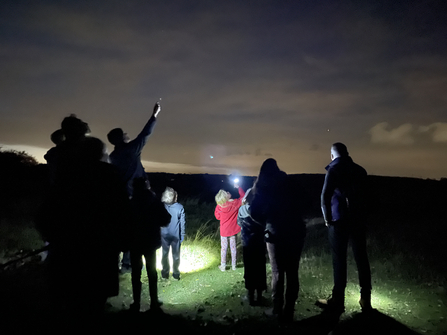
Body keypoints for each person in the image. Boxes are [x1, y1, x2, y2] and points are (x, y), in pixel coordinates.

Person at [36, 115, 131, 324]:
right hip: (99, 246)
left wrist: (52, 234)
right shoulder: (108, 175)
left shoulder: (67, 172)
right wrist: (122, 238)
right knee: (93, 300)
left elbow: (48, 208)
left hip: (68, 244)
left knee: (70, 296)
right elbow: (122, 209)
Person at [317, 142, 372, 314]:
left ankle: (338, 300)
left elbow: (325, 195)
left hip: (338, 220)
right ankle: (366, 298)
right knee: (361, 257)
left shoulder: (334, 170)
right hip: (357, 219)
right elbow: (368, 195)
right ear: (347, 153)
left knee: (339, 259)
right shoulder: (360, 170)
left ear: (332, 155)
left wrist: (327, 219)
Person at [107, 101, 162, 272]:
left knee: (122, 229)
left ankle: (119, 264)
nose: (127, 135)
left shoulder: (113, 155)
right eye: (125, 135)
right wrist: (154, 115)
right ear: (122, 139)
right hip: (137, 195)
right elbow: (145, 134)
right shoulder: (131, 150)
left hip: (122, 195)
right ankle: (129, 264)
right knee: (136, 229)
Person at [250, 158, 306, 323]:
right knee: (292, 272)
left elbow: (254, 212)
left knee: (277, 272)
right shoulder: (290, 182)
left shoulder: (263, 187)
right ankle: (289, 311)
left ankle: (277, 309)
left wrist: (266, 222)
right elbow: (306, 201)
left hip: (276, 233)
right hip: (295, 230)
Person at [129, 178, 171, 312]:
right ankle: (154, 302)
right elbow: (166, 219)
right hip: (150, 241)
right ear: (147, 186)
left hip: (135, 241)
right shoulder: (154, 201)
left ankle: (136, 303)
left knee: (135, 273)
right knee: (151, 272)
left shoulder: (131, 202)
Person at [237, 187, 267, 306]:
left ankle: (250, 297)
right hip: (259, 243)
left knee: (249, 269)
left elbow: (239, 223)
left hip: (247, 244)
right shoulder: (261, 211)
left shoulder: (242, 210)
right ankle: (259, 296)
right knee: (260, 268)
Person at [214, 180, 245, 271]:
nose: (228, 192)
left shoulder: (219, 207)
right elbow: (243, 197)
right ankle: (234, 265)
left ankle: (223, 266)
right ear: (225, 197)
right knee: (233, 247)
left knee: (224, 248)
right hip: (233, 230)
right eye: (227, 193)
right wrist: (239, 187)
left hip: (224, 231)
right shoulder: (235, 203)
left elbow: (217, 217)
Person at [160, 187, 186, 280]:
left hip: (164, 235)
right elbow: (182, 223)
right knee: (176, 255)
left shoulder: (161, 206)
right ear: (174, 197)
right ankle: (175, 274)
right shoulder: (180, 207)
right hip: (176, 236)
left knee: (164, 254)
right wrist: (182, 235)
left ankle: (165, 273)